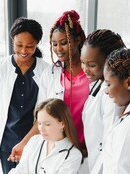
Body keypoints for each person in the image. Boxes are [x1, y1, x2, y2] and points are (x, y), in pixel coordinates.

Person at [0, 17, 49, 174]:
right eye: (19, 45)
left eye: (30, 46)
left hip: (34, 142)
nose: (24, 50)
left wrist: (25, 143)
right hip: (6, 143)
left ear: (37, 44)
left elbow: (44, 116)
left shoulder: (45, 71)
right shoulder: (1, 68)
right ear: (12, 40)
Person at [78, 29, 125, 174]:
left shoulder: (110, 97)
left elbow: (108, 147)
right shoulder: (98, 84)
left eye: (91, 65)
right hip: (95, 167)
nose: (85, 69)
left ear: (108, 63)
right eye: (83, 63)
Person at [39, 10, 88, 156]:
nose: (58, 49)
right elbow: (42, 116)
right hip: (61, 149)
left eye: (64, 43)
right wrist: (25, 143)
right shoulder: (50, 74)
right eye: (54, 44)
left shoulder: (92, 74)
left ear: (78, 40)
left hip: (89, 148)